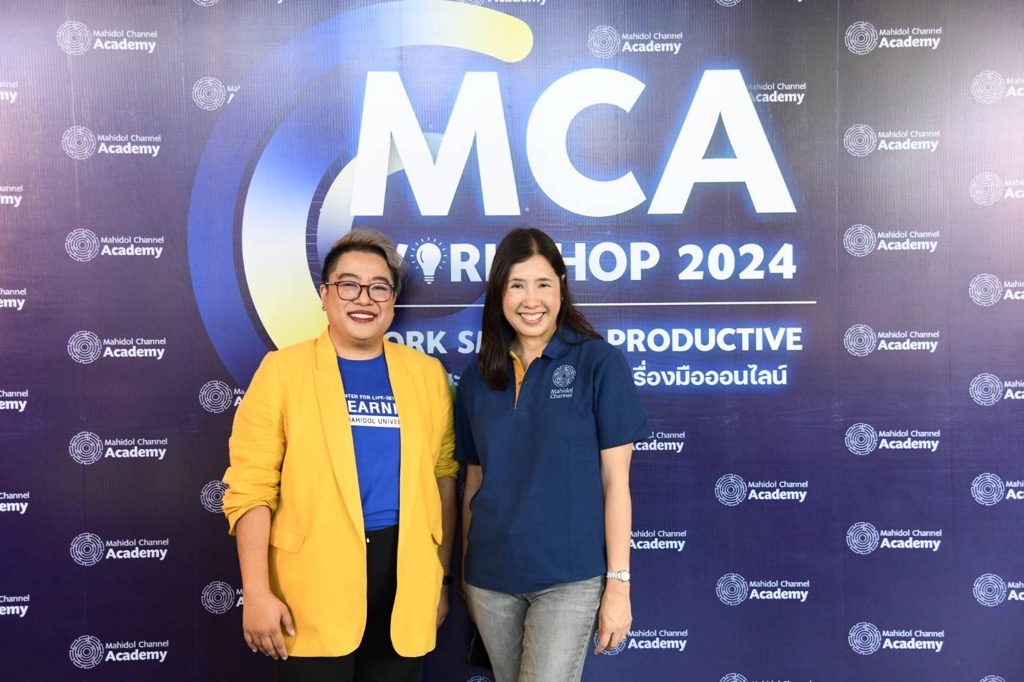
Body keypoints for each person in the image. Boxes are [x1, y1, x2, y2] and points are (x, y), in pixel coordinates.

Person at [222, 229, 458, 682]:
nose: (363, 299)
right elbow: (251, 487)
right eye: (349, 285)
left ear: (393, 300)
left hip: (404, 583)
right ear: (325, 295)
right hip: (310, 589)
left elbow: (443, 479)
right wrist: (256, 591)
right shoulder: (282, 372)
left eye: (379, 287)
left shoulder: (427, 376)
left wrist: (442, 582)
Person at [456, 227, 651, 682]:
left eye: (543, 284)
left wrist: (619, 585)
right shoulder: (476, 378)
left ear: (561, 286)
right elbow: (474, 483)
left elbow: (616, 483)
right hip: (489, 581)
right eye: (516, 285)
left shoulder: (598, 363)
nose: (531, 300)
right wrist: (466, 572)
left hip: (569, 579)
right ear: (499, 293)